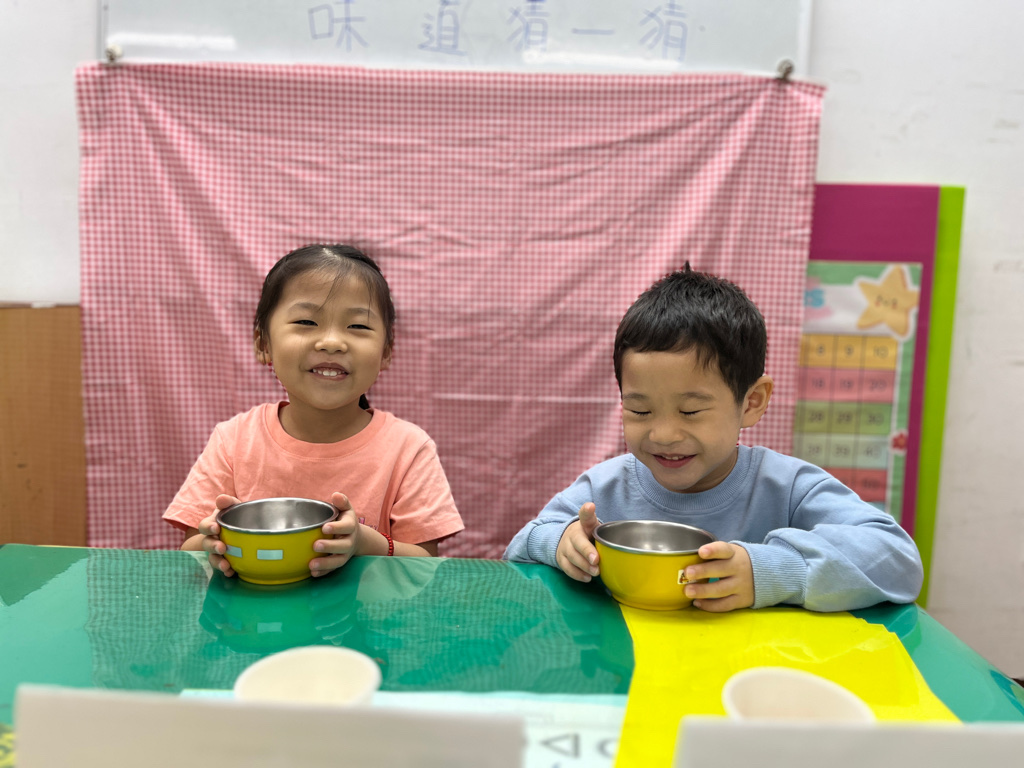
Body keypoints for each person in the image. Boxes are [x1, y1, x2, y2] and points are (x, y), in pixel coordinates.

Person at [504, 265, 923, 612]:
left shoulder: (789, 488)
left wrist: (769, 571)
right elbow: (521, 546)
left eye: (690, 411)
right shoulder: (605, 488)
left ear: (752, 402)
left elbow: (896, 558)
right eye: (639, 411)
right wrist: (560, 542)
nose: (663, 434)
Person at [164, 244, 464, 577]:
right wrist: (215, 542)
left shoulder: (408, 448)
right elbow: (191, 551)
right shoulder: (233, 440)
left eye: (358, 326)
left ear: (386, 352)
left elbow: (426, 565)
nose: (332, 342)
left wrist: (365, 543)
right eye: (307, 321)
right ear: (263, 343)